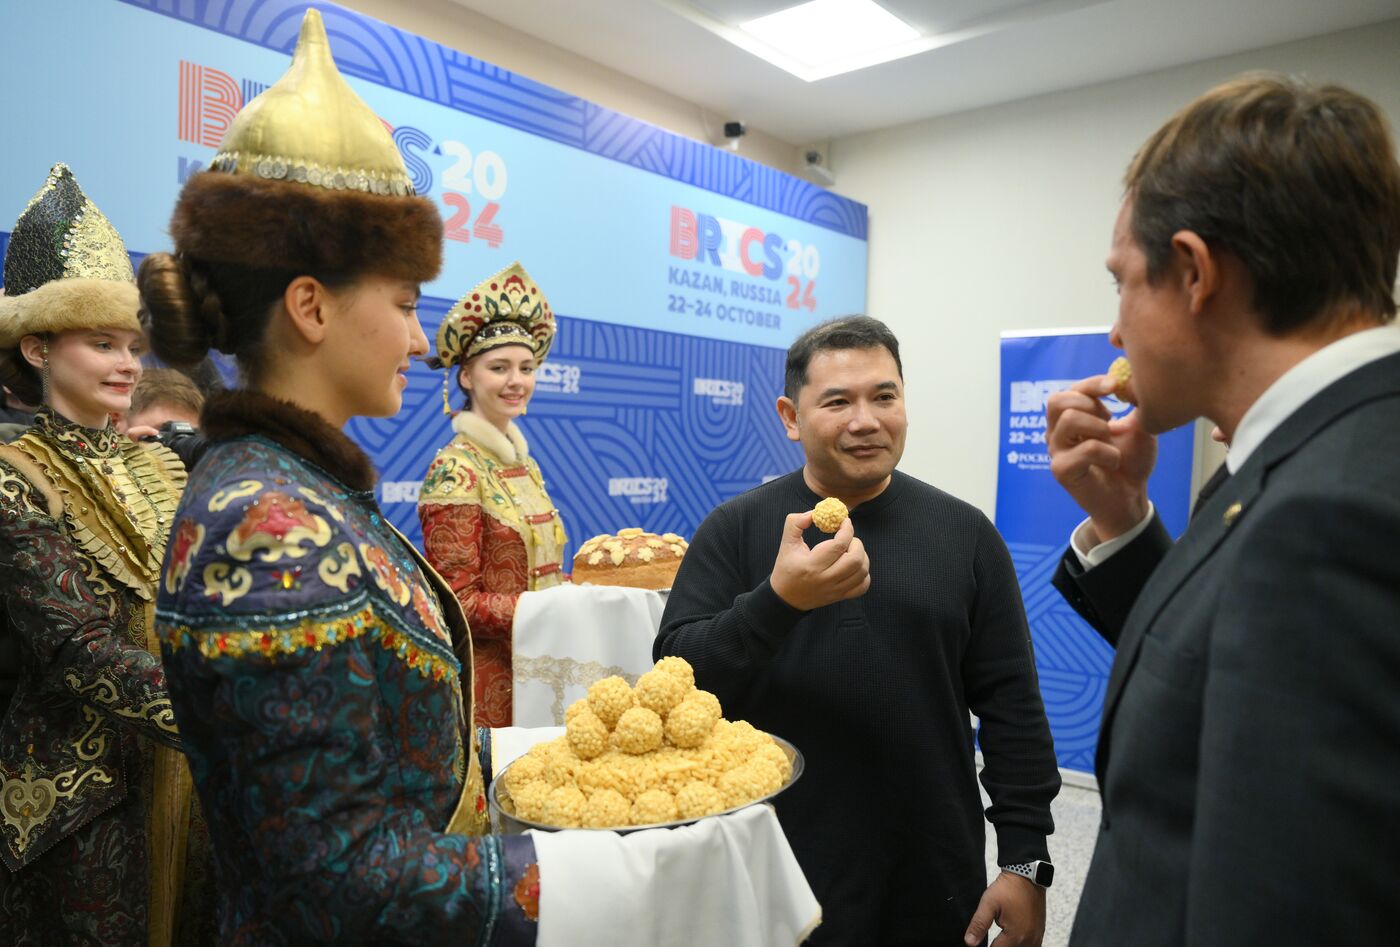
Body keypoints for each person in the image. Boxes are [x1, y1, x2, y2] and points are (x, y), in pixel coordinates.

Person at [138, 12, 542, 941]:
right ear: (310, 306)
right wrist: (596, 872)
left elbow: (389, 754)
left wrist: (549, 761)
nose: (414, 337)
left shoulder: (295, 488)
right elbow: (339, 871)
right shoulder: (267, 522)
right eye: (403, 302)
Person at [1042, 75, 1400, 946]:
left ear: (1196, 272)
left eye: (1124, 282)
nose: (1117, 331)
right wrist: (1126, 519)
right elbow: (1226, 675)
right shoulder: (1309, 453)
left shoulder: (1336, 518)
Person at [654, 315, 1061, 946]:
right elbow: (675, 683)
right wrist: (778, 602)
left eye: (884, 397)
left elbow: (1012, 706)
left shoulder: (966, 535)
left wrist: (1025, 860)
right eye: (837, 401)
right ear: (791, 417)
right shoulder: (736, 529)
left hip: (930, 860)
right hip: (771, 860)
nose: (865, 420)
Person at [0, 163, 211, 944]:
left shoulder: (159, 464)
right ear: (35, 346)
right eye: (101, 343)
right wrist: (221, 710)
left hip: (185, 778)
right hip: (81, 797)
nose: (127, 362)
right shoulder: (12, 477)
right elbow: (76, 647)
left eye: (130, 344)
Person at [418, 261, 567, 726]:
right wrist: (553, 607)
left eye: (526, 367)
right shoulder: (455, 471)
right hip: (491, 690)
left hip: (543, 667)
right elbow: (456, 601)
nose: (516, 380)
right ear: (466, 377)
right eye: (498, 367)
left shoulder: (523, 464)